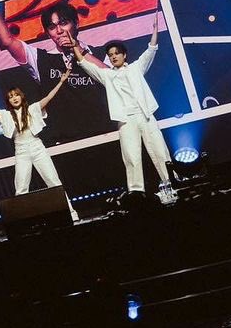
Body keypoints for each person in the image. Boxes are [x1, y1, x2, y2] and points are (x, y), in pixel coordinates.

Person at [70, 13, 173, 196]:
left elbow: (151, 49)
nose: (113, 57)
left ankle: (171, 183)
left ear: (124, 55)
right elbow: (85, 64)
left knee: (160, 151)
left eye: (116, 53)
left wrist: (155, 30)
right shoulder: (107, 75)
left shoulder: (136, 68)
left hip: (145, 115)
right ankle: (136, 192)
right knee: (131, 157)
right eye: (110, 55)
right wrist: (74, 46)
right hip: (126, 120)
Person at [0, 71, 80, 221]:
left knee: (54, 182)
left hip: (37, 148)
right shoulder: (6, 115)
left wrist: (61, 81)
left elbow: (49, 97)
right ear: (8, 101)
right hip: (21, 152)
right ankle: (22, 222)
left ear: (21, 96)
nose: (14, 98)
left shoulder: (32, 109)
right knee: (21, 189)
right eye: (10, 97)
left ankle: (71, 213)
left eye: (16, 95)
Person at [0, 2, 113, 144]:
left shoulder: (100, 54)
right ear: (48, 33)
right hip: (66, 142)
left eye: (63, 23)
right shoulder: (41, 59)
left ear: (76, 23)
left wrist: (77, 49)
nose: (59, 30)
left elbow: (114, 80)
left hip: (106, 135)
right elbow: (8, 41)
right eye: (52, 27)